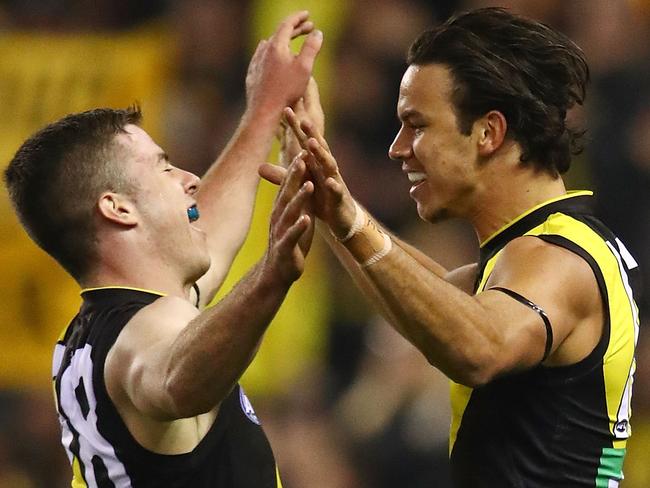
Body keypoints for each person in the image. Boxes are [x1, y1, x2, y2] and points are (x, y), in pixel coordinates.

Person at [263, 7, 642, 487]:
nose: (397, 148)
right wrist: (330, 206)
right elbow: (433, 300)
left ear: (489, 132)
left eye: (417, 125)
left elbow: (478, 348)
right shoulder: (536, 257)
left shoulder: (560, 258)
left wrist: (347, 217)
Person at [4, 11, 321, 487]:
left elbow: (211, 231)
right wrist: (271, 275)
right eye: (164, 167)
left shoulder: (95, 331)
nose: (190, 180)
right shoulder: (144, 334)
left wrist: (266, 111)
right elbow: (175, 377)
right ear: (118, 208)